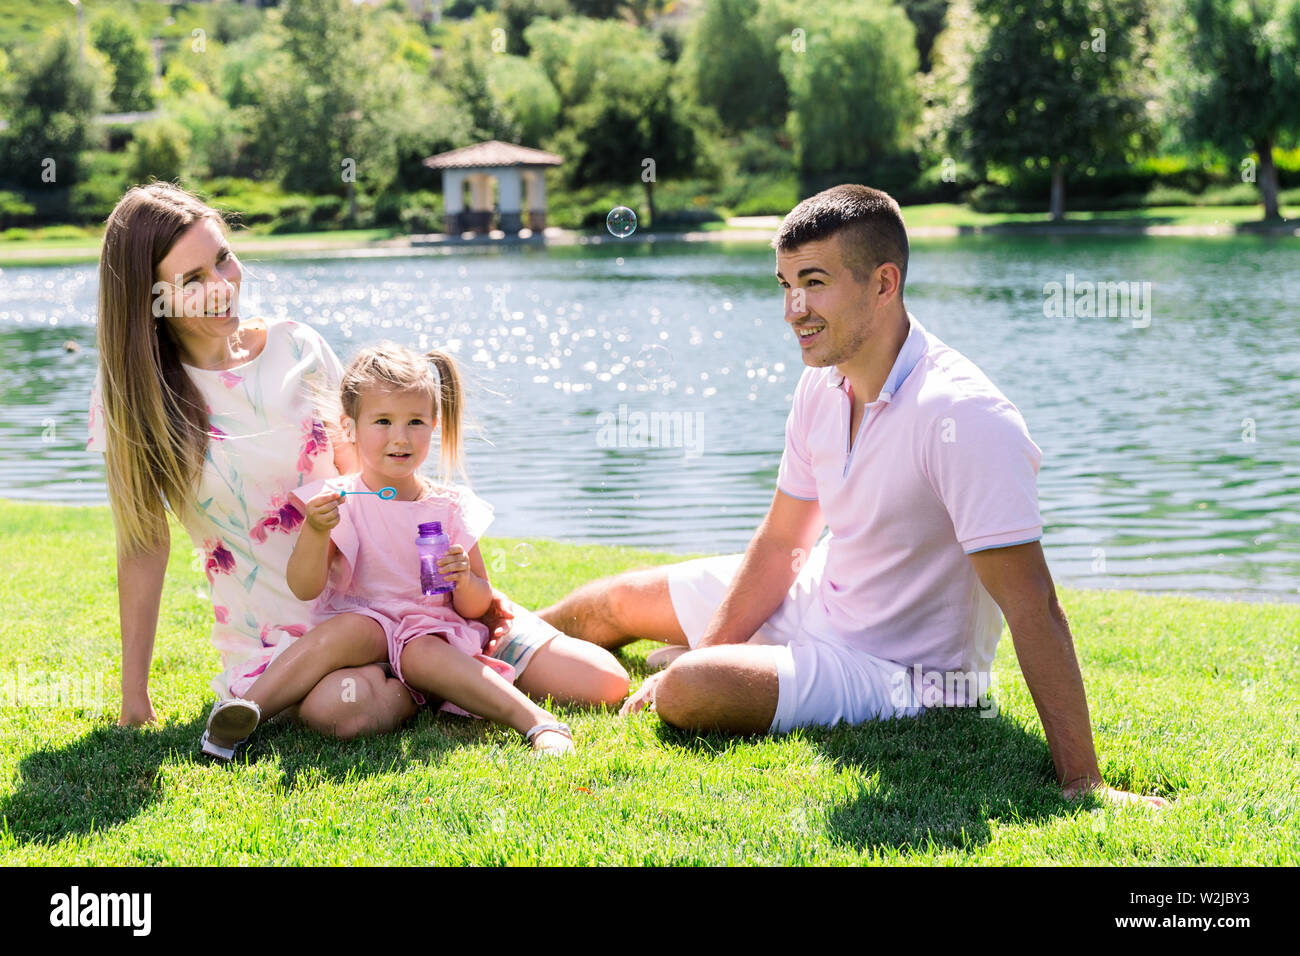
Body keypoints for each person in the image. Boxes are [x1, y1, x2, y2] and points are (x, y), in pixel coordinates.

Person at [540, 184, 1168, 809]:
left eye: (813, 282)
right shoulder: (822, 384)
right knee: (613, 603)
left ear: (883, 283)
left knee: (686, 692)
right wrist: (710, 647)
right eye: (784, 284)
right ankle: (476, 650)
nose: (793, 308)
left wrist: (1083, 785)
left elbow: (1034, 603)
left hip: (902, 676)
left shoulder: (964, 415)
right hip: (819, 599)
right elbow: (786, 540)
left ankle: (721, 666)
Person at [89, 181, 627, 741]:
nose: (223, 286)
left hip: (407, 599)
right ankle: (430, 680)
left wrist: (463, 585)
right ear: (150, 297)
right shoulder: (132, 401)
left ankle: (438, 662)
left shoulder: (296, 347)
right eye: (193, 280)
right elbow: (143, 544)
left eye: (223, 258)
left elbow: (377, 478)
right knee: (341, 711)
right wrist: (135, 697)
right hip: (292, 636)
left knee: (603, 683)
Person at [201, 343, 575, 756]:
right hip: (362, 638)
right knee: (346, 656)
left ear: (434, 425)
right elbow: (304, 588)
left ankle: (539, 723)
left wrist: (463, 579)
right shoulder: (336, 500)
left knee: (421, 656)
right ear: (350, 428)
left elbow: (475, 605)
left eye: (415, 422)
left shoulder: (449, 508)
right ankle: (244, 712)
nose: (400, 437)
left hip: (425, 636)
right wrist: (314, 532)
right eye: (383, 421)